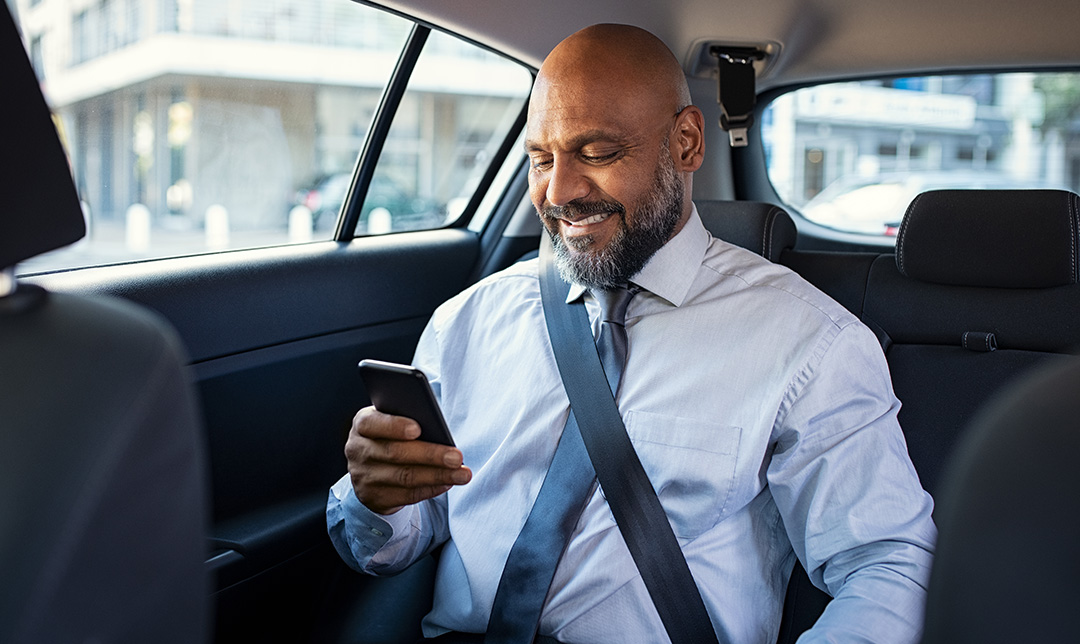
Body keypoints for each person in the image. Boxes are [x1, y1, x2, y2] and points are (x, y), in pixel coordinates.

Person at [328, 23, 935, 643]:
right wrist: (376, 498)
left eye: (597, 153)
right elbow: (390, 545)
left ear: (687, 143)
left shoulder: (808, 341)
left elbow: (889, 564)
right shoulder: (467, 322)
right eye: (542, 158)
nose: (559, 192)